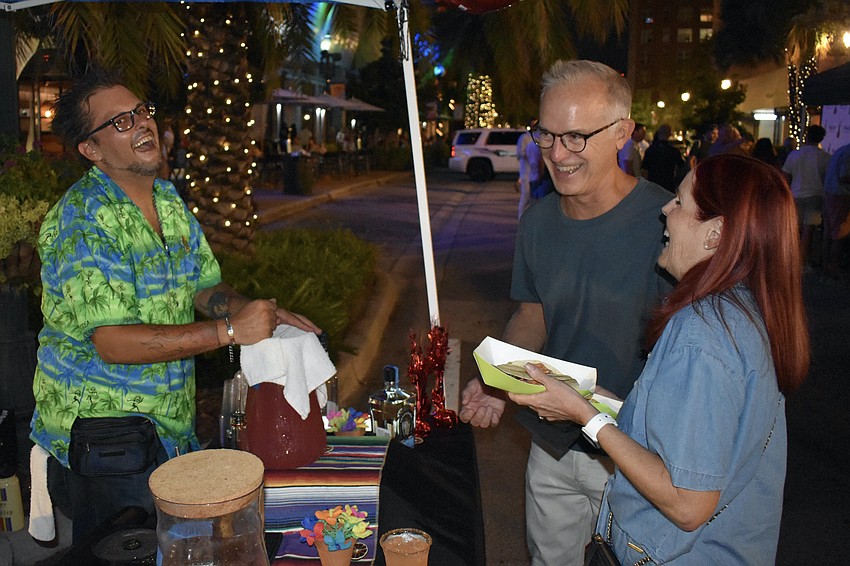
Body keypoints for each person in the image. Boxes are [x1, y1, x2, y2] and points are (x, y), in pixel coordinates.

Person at [32, 69, 321, 544]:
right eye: (120, 122)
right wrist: (230, 334)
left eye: (142, 111)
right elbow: (113, 342)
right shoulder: (82, 220)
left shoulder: (166, 200)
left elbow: (204, 289)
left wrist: (259, 313)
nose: (142, 124)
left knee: (181, 548)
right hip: (108, 437)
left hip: (169, 425)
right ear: (91, 149)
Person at [510, 154, 809, 564]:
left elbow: (688, 503)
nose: (666, 210)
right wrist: (589, 395)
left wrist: (584, 415)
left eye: (681, 203)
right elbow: (692, 436)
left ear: (716, 233)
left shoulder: (703, 333)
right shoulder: (741, 311)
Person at [459, 60, 671, 566]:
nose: (557, 153)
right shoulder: (536, 222)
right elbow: (534, 315)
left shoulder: (668, 224)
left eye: (576, 137)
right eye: (547, 135)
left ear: (622, 133)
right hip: (552, 445)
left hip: (635, 455)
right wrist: (498, 379)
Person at [782, 124, 830, 270]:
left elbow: (785, 175)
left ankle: (790, 259)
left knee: (794, 230)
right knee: (809, 231)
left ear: (806, 136)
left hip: (795, 195)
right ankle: (802, 262)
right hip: (815, 196)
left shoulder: (794, 155)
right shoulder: (825, 157)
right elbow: (827, 179)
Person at [821, 141, 850, 281]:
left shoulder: (840, 150)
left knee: (829, 232)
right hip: (841, 196)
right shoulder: (848, 154)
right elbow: (844, 176)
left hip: (830, 194)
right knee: (839, 233)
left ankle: (825, 265)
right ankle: (834, 267)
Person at [642, 124, 684, 192]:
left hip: (653, 185)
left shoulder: (650, 150)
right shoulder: (673, 151)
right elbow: (681, 166)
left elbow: (645, 169)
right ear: (669, 134)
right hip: (668, 185)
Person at [516, 126, 544, 219]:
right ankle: (521, 219)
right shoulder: (525, 138)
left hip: (534, 174)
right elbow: (521, 154)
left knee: (533, 199)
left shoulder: (538, 139)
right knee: (526, 196)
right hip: (527, 173)